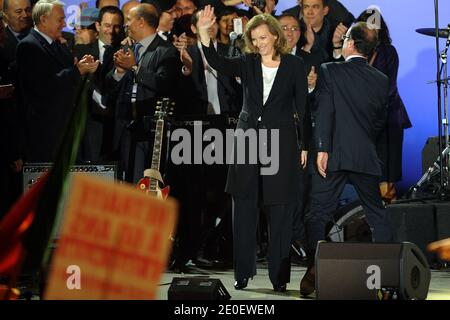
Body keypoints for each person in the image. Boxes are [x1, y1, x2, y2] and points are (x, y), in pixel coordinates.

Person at [197, 5, 309, 292]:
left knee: (280, 211)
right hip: (246, 140)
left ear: (275, 36)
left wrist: (305, 145)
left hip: (282, 142)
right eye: (254, 39)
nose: (258, 43)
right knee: (244, 208)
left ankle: (279, 276)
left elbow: (303, 110)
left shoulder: (296, 66)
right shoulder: (246, 62)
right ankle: (243, 272)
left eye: (262, 37)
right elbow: (216, 61)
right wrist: (204, 33)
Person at [300, 22, 394, 297]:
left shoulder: (331, 70)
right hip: (365, 155)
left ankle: (315, 268)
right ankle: (386, 278)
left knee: (317, 213)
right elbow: (378, 122)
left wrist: (323, 148)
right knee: (377, 216)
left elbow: (325, 111)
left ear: (350, 43)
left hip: (334, 156)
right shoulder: (381, 79)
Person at [16, 0, 99, 162]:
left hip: (65, 131)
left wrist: (81, 65)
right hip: (46, 135)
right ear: (44, 20)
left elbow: (68, 73)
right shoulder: (29, 46)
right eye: (60, 19)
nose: (63, 24)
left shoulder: (57, 44)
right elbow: (43, 87)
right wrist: (78, 70)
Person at [106, 2, 179, 183]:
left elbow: (164, 84)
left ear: (140, 22)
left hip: (149, 131)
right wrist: (119, 72)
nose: (126, 25)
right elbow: (108, 85)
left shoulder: (166, 51)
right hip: (124, 127)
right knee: (125, 182)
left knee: (142, 184)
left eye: (129, 20)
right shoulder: (127, 48)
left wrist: (135, 68)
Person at [355, 8, 412, 202]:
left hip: (388, 121)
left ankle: (391, 227)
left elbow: (386, 87)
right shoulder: (355, 53)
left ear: (379, 29)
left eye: (372, 25)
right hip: (366, 123)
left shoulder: (388, 51)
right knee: (369, 180)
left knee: (386, 182)